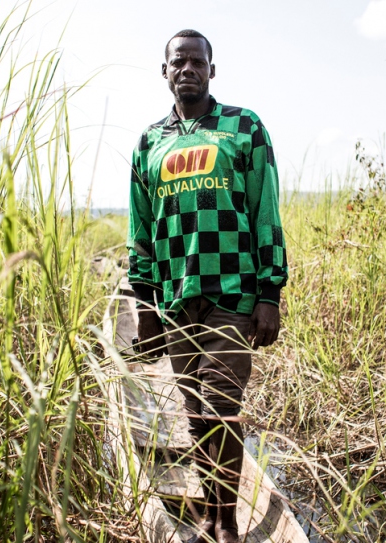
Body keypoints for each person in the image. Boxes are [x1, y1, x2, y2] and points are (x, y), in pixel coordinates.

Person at [127, 29, 288, 543]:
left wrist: (269, 294)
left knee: (222, 409)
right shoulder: (150, 142)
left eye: (198, 61)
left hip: (232, 295)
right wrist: (144, 307)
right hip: (176, 300)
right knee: (195, 413)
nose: (188, 69)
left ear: (212, 71)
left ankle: (227, 523)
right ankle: (211, 507)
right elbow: (141, 231)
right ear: (166, 72)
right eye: (179, 62)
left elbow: (266, 212)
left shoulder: (244, 127)